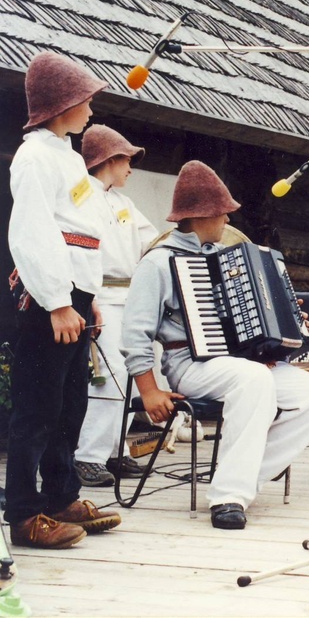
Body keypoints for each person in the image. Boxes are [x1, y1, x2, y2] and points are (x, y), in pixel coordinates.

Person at [121, 160, 309, 529]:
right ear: (203, 216)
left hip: (235, 365)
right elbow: (135, 334)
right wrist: (149, 390)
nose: (227, 223)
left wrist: (280, 331)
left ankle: (239, 479)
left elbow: (244, 326)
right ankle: (228, 497)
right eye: (223, 215)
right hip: (187, 363)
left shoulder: (223, 258)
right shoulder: (158, 263)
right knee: (252, 381)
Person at [5, 51, 122, 549]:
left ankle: (60, 494)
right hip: (47, 295)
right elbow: (32, 234)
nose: (91, 110)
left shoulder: (69, 157)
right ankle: (24, 514)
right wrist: (56, 300)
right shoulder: (33, 158)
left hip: (75, 292)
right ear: (62, 105)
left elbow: (83, 234)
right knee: (37, 405)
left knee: (70, 400)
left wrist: (86, 295)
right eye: (85, 101)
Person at [74, 125, 158, 487]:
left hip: (129, 297)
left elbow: (152, 241)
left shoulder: (125, 203)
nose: (131, 167)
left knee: (131, 375)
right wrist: (88, 298)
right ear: (108, 159)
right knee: (106, 378)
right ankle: (87, 456)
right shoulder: (81, 195)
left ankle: (113, 452)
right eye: (127, 159)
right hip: (99, 298)